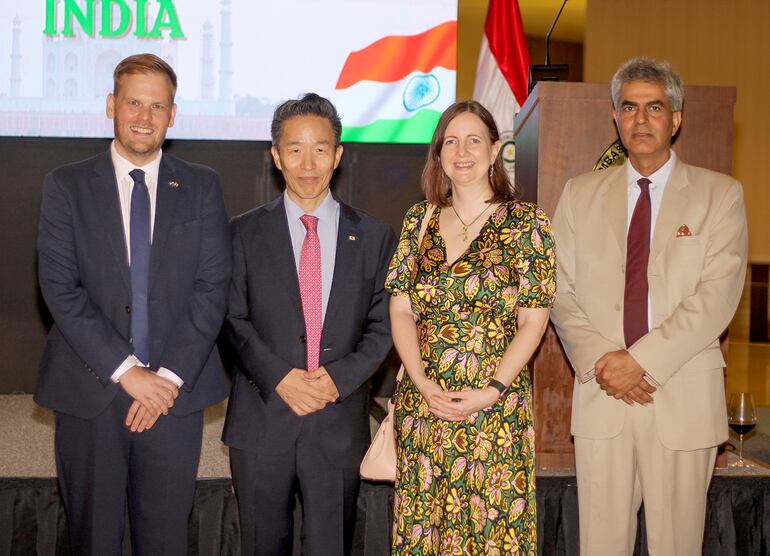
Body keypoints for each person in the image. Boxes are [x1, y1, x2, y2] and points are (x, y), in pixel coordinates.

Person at [35, 53, 232, 555]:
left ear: (172, 114)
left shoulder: (203, 185)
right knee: (93, 541)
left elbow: (213, 288)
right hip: (90, 392)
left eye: (157, 106)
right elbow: (60, 289)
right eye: (133, 103)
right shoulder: (66, 185)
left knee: (165, 540)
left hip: (174, 397)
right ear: (110, 105)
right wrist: (128, 372)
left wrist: (165, 379)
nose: (144, 117)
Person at [550, 58, 748, 555]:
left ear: (676, 118)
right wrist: (606, 363)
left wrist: (640, 362)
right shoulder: (578, 195)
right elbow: (556, 289)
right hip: (603, 395)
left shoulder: (720, 195)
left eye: (654, 107)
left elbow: (716, 298)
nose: (641, 119)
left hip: (682, 396)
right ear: (614, 118)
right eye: (629, 107)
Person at [222, 93, 396, 556]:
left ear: (338, 155)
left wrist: (335, 381)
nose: (307, 163)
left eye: (320, 149)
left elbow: (384, 326)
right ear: (276, 156)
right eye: (294, 149)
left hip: (337, 422)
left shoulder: (375, 235)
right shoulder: (240, 233)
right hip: (262, 418)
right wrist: (281, 378)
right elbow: (231, 317)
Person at [385, 100, 555, 554]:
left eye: (474, 140)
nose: (462, 151)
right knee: (426, 530)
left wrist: (494, 388)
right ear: (438, 154)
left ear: (495, 149)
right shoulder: (415, 223)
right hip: (425, 409)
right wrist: (420, 382)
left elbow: (533, 320)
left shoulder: (527, 223)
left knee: (490, 534)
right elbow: (400, 309)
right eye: (451, 141)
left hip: (492, 411)